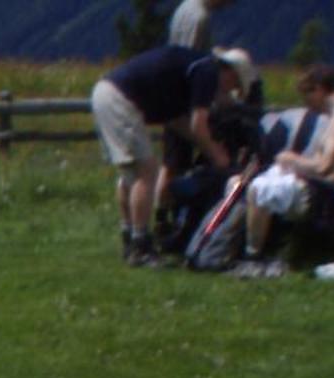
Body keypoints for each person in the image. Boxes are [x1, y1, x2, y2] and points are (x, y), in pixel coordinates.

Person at [92, 43, 251, 265]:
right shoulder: (207, 73)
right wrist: (218, 155)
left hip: (106, 92)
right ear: (230, 73)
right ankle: (141, 245)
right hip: (121, 99)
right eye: (233, 84)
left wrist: (208, 143)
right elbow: (197, 124)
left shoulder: (194, 66)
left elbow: (177, 121)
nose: (226, 91)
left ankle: (129, 236)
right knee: (146, 172)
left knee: (130, 172)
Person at [245, 63, 334, 262]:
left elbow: (325, 167)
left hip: (328, 195)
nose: (307, 103)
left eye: (307, 94)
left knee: (261, 189)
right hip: (327, 187)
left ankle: (254, 254)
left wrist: (292, 160)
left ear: (319, 90)